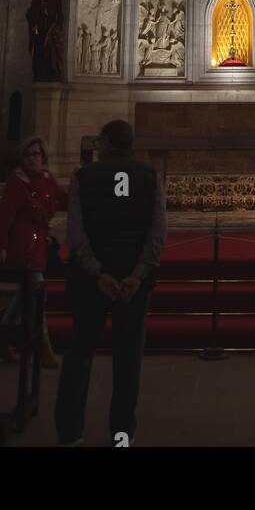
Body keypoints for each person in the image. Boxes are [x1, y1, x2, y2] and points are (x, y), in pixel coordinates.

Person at [55, 119, 166, 447]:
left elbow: (74, 233)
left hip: (91, 282)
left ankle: (70, 432)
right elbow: (158, 232)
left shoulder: (84, 177)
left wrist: (96, 271)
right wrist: (138, 274)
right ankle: (121, 434)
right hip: (133, 281)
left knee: (79, 353)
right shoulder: (149, 177)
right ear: (131, 145)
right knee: (128, 358)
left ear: (104, 144)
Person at [0, 136, 67, 368]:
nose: (33, 158)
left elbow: (63, 199)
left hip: (39, 242)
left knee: (24, 294)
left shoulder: (46, 178)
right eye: (28, 154)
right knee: (37, 290)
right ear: (21, 158)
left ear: (43, 157)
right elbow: (5, 216)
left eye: (37, 154)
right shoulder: (17, 181)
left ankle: (1, 341)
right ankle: (43, 345)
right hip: (23, 244)